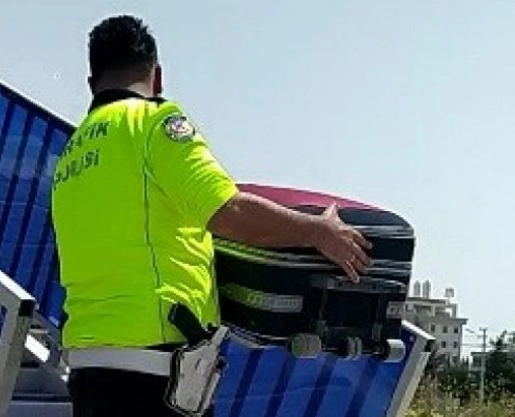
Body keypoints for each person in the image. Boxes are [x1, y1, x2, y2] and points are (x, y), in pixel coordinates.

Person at [51, 14, 372, 417]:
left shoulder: (71, 157)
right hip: (153, 376)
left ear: (91, 83)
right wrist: (318, 231)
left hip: (88, 371)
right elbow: (228, 212)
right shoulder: (153, 124)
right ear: (158, 76)